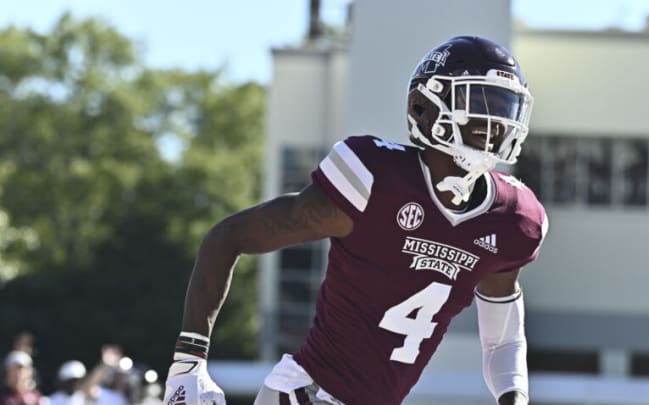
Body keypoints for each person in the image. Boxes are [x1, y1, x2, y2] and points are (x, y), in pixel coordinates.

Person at [163, 35, 548, 405]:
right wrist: (189, 362)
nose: (496, 121)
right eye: (482, 101)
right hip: (308, 393)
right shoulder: (373, 179)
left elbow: (503, 341)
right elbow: (228, 237)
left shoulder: (514, 220)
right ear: (423, 106)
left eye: (505, 107)